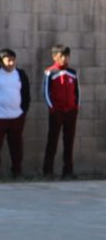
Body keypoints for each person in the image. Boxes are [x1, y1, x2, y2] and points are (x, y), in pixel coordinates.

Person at [0, 48, 30, 179]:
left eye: (13, 60)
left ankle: (17, 172)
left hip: (16, 117)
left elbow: (26, 94)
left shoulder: (20, 74)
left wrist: (23, 111)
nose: (11, 63)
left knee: (16, 147)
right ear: (1, 61)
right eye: (8, 60)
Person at [43, 44, 80, 178]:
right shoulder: (49, 72)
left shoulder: (73, 72)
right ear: (54, 57)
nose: (64, 59)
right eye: (60, 56)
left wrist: (76, 107)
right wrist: (52, 108)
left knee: (69, 141)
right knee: (52, 140)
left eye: (66, 56)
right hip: (56, 111)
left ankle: (68, 171)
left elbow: (77, 92)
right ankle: (48, 171)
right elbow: (46, 91)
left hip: (71, 111)